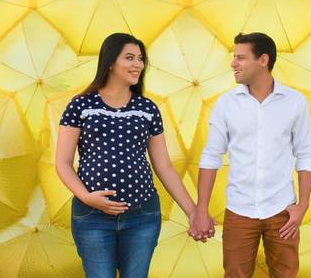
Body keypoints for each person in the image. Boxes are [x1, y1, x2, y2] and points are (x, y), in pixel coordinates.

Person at [55, 32, 215, 278]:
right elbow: (63, 163)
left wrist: (193, 212)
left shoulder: (147, 108)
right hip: (92, 218)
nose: (138, 64)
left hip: (142, 217)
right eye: (130, 57)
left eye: (140, 58)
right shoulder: (81, 106)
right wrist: (87, 198)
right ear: (110, 62)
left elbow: (164, 167)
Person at [189, 32, 311, 277]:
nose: (233, 64)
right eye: (233, 57)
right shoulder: (226, 104)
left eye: (240, 58)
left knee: (286, 274)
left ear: (263, 60)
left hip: (282, 210)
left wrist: (303, 205)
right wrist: (201, 210)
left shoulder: (295, 102)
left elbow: (306, 154)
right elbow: (210, 157)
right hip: (239, 208)